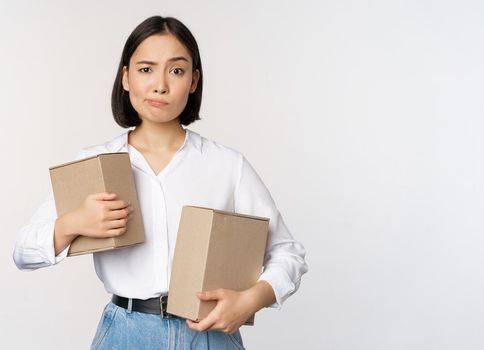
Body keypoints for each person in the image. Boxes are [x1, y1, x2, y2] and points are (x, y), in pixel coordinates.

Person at [12, 15, 308, 350]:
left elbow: (288, 252)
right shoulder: (94, 165)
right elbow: (22, 253)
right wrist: (72, 223)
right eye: (146, 69)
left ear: (194, 81)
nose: (160, 85)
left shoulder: (227, 165)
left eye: (177, 70)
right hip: (125, 333)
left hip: (210, 334)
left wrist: (252, 299)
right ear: (125, 77)